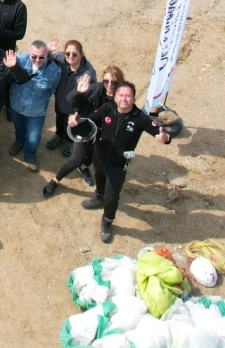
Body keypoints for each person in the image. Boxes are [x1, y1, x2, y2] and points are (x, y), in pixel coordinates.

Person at [77, 79, 171, 243]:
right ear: (115, 97)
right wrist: (76, 121)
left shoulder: (140, 118)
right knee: (99, 176)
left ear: (134, 98)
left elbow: (160, 132)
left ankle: (107, 220)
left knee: (112, 198)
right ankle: (99, 196)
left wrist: (166, 137)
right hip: (99, 155)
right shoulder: (107, 108)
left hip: (118, 164)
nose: (124, 99)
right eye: (121, 95)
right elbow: (90, 121)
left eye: (128, 96)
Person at [44, 64, 121, 197]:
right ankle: (56, 180)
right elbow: (72, 101)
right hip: (86, 127)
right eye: (106, 81)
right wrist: (78, 94)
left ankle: (84, 167)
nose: (109, 85)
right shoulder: (95, 88)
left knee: (95, 154)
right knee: (77, 159)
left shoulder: (121, 97)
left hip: (104, 132)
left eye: (114, 82)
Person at [4, 41, 61, 172]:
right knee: (19, 126)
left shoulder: (54, 71)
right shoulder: (20, 59)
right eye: (34, 56)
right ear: (29, 54)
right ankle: (19, 141)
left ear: (48, 55)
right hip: (17, 105)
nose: (37, 60)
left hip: (36, 111)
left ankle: (30, 155)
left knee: (34, 137)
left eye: (42, 57)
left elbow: (52, 90)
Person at [46, 41, 98, 153]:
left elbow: (91, 95)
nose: (70, 57)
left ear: (81, 54)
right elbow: (45, 58)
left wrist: (78, 111)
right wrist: (49, 50)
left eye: (74, 54)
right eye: (67, 53)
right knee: (59, 119)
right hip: (60, 100)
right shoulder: (61, 59)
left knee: (71, 124)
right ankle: (59, 136)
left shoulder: (88, 73)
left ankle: (69, 141)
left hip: (75, 106)